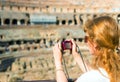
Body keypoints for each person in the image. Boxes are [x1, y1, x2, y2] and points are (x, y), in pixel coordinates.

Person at [52, 16, 120, 82]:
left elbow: (93, 76)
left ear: (95, 43)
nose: (85, 41)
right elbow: (95, 74)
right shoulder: (113, 71)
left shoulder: (91, 77)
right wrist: (76, 55)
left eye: (86, 38)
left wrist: (58, 64)